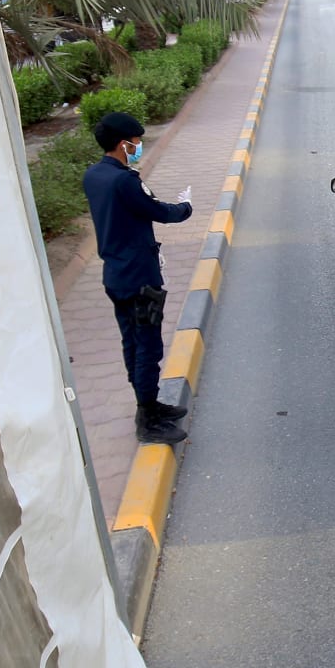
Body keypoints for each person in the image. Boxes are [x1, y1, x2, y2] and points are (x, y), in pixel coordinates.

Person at [83, 112, 194, 444]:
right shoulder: (125, 181)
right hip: (141, 278)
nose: (138, 146)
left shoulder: (94, 176)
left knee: (131, 342)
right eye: (136, 142)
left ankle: (148, 404)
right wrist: (185, 207)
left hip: (116, 276)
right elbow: (158, 211)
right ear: (123, 144)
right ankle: (148, 419)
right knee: (148, 346)